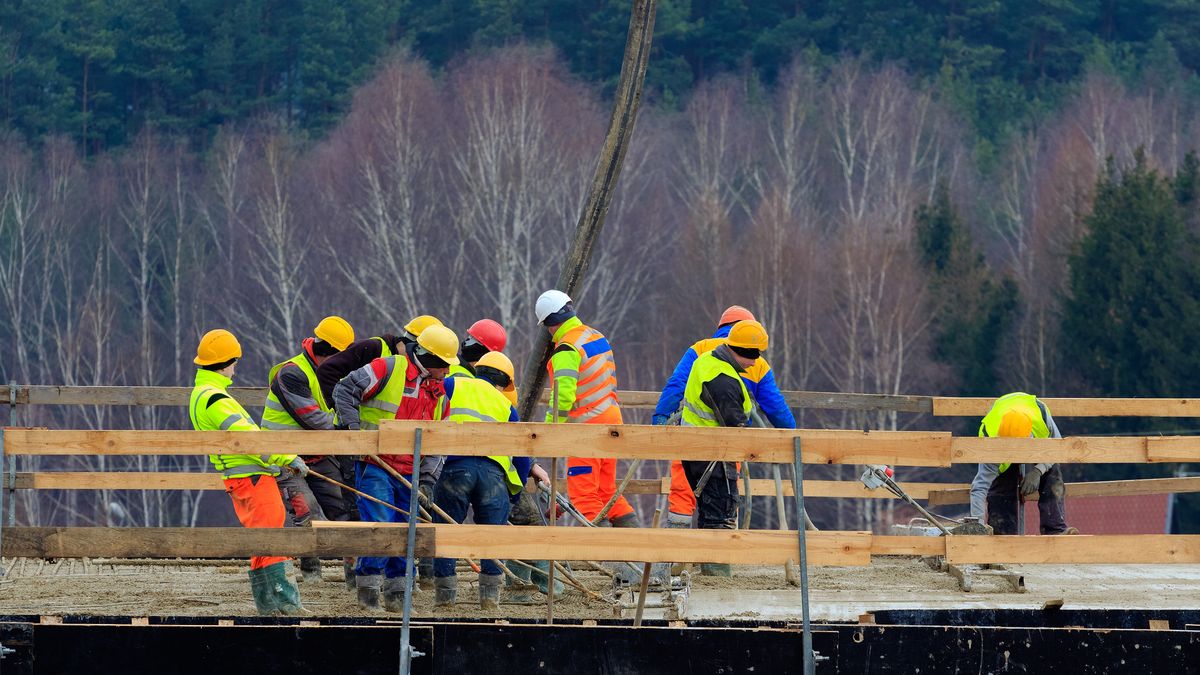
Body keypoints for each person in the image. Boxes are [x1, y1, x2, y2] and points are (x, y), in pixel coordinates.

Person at [332, 325, 460, 611]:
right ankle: (368, 593)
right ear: (430, 358)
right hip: (375, 464)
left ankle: (398, 596)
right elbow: (344, 389)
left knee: (406, 530)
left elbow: (438, 441)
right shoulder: (387, 368)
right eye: (444, 365)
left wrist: (427, 479)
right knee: (381, 525)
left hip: (409, 471)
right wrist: (353, 430)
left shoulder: (439, 393)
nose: (447, 371)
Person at [188, 328, 307, 615]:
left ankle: (269, 605)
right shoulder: (215, 399)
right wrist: (288, 458)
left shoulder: (204, 394)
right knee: (272, 536)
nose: (236, 367)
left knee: (262, 538)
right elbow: (249, 438)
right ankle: (285, 603)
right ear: (226, 363)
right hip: (251, 478)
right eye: (235, 361)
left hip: (242, 478)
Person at [653, 305, 796, 530]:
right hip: (729, 443)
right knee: (725, 497)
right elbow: (775, 407)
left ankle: (677, 543)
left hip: (690, 438)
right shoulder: (757, 362)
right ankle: (724, 541)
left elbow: (676, 385)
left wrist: (660, 419)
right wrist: (792, 435)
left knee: (683, 491)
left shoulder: (701, 349)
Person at [430, 351, 532, 610]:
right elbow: (522, 456)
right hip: (492, 475)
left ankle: (445, 598)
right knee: (492, 536)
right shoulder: (506, 406)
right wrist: (514, 493)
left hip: (455, 469)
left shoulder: (452, 384)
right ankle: (489, 599)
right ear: (503, 383)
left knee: (446, 531)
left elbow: (428, 406)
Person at [260, 315, 357, 585]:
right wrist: (347, 428)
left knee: (345, 509)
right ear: (330, 351)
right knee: (307, 512)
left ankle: (356, 576)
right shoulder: (291, 373)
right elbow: (313, 418)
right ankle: (312, 575)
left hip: (318, 454)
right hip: (285, 457)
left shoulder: (330, 374)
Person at [535, 289, 637, 528]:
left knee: (584, 494)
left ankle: (598, 549)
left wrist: (548, 430)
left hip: (588, 429)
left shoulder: (566, 349)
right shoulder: (594, 336)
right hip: (612, 423)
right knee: (606, 490)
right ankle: (633, 542)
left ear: (548, 324)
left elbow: (563, 397)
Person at [679, 320, 770, 577]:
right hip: (714, 456)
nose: (754, 363)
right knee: (721, 511)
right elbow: (735, 426)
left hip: (698, 452)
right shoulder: (723, 381)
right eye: (753, 356)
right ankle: (717, 574)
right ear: (741, 351)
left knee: (710, 511)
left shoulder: (708, 361)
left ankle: (710, 568)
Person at [972, 393, 1077, 535]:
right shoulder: (990, 440)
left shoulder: (1042, 418)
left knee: (1052, 471)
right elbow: (979, 488)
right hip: (1000, 449)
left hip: (1037, 434)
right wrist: (977, 528)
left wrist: (1038, 471)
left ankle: (1055, 531)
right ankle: (1004, 538)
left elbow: (1057, 450)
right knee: (1001, 485)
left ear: (1029, 436)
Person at [316, 315, 443, 404]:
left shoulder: (417, 369)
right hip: (355, 431)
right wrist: (342, 412)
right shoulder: (373, 348)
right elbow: (327, 371)